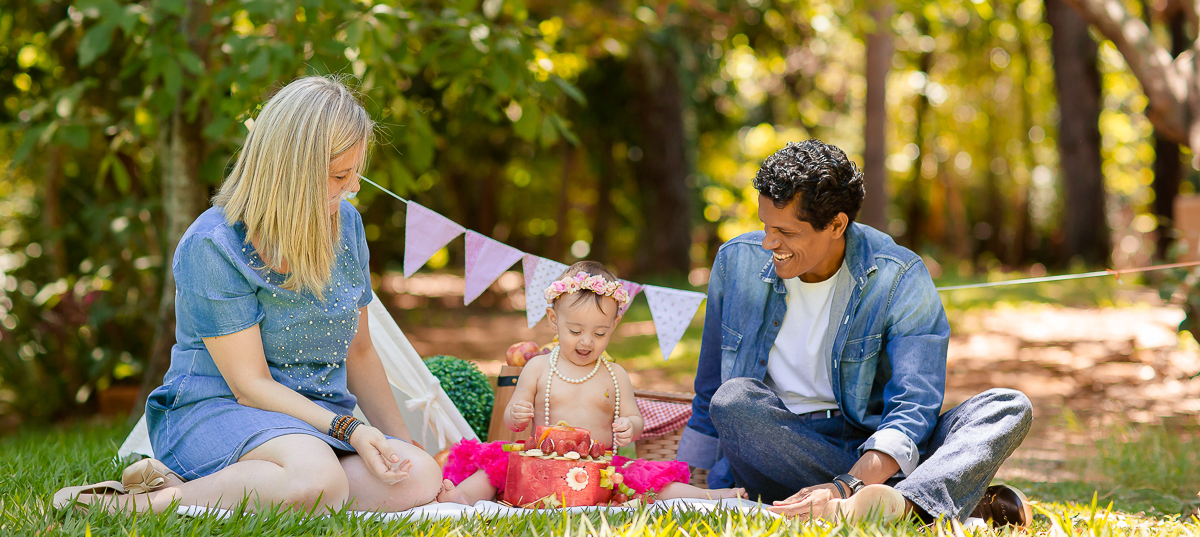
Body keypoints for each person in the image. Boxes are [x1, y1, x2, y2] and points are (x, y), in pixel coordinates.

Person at [53, 76, 447, 514]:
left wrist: (400, 444)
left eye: (356, 173)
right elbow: (250, 386)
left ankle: (260, 486)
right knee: (317, 477)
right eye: (340, 175)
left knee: (419, 475)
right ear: (290, 169)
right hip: (215, 412)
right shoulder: (214, 244)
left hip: (317, 422)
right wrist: (350, 429)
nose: (353, 187)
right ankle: (133, 505)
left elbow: (360, 351)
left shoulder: (346, 225)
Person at [676, 140, 1034, 525]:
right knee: (733, 401)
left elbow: (914, 405)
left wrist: (846, 483)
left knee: (1006, 407)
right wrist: (684, 478)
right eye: (765, 226)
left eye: (785, 231)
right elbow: (710, 391)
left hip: (874, 445)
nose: (768, 242)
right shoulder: (736, 263)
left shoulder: (898, 275)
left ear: (836, 225)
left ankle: (881, 503)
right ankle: (913, 501)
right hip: (776, 445)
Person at [441, 262, 745, 505]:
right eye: (575, 330)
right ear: (552, 318)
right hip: (540, 464)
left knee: (646, 482)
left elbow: (635, 421)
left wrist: (630, 425)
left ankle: (710, 496)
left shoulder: (615, 375)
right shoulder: (537, 367)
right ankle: (463, 496)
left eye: (600, 333)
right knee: (498, 465)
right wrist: (517, 412)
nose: (587, 341)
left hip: (600, 468)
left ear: (614, 325)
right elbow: (512, 418)